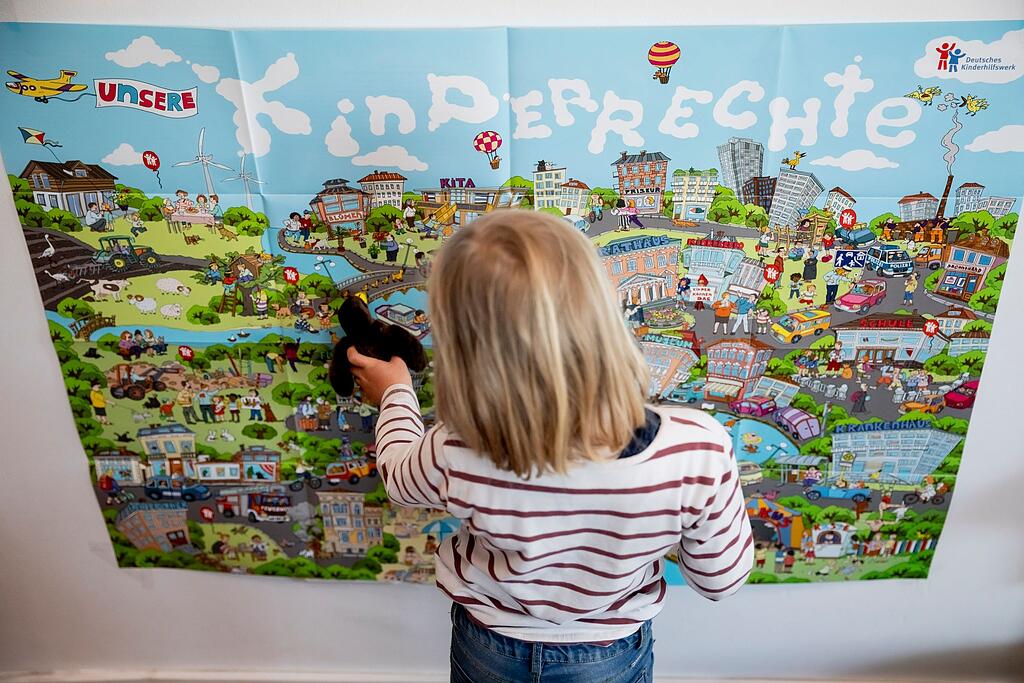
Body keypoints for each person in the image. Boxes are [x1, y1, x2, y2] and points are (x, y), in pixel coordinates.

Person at [341, 211, 751, 680]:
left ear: (463, 349)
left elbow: (399, 478)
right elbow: (719, 581)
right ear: (603, 310)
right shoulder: (697, 450)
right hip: (609, 652)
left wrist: (395, 390)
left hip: (489, 645)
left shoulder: (457, 447)